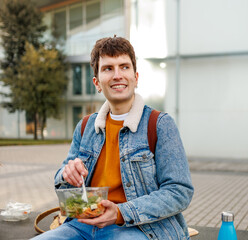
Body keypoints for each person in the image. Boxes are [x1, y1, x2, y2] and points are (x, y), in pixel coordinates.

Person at [32, 36, 194, 240]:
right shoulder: (85, 126)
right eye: (108, 68)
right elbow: (65, 189)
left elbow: (179, 191)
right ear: (97, 82)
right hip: (81, 226)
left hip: (140, 229)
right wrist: (66, 175)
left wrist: (120, 213)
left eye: (124, 67)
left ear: (136, 77)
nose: (117, 75)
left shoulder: (160, 124)